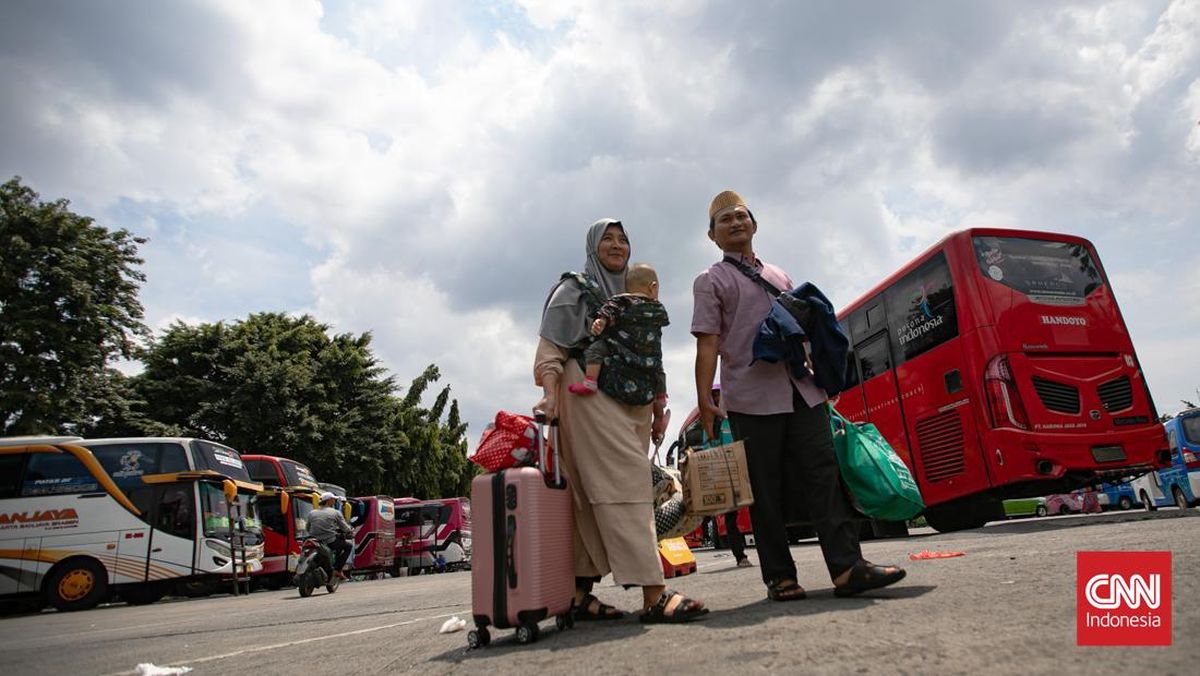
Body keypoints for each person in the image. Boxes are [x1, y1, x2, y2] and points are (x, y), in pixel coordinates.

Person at [691, 190, 906, 601]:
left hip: (803, 393)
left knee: (825, 478)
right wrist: (705, 399)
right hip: (750, 399)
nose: (735, 223)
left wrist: (823, 385)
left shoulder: (779, 274)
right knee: (766, 490)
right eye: (725, 220)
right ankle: (780, 577)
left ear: (754, 224)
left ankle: (847, 568)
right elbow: (707, 344)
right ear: (713, 236)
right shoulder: (710, 280)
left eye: (741, 216)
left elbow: (802, 334)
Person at [534, 218, 707, 624]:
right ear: (593, 247)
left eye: (623, 239)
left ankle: (578, 593)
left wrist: (658, 411)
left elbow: (652, 359)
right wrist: (548, 393)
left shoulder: (635, 297)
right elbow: (550, 349)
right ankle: (653, 593)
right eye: (607, 239)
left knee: (590, 500)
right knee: (628, 487)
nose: (616, 245)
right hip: (589, 400)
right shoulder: (573, 291)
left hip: (633, 407)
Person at [568, 263, 669, 408]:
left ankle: (590, 381)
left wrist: (600, 322)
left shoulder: (620, 301)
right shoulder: (658, 308)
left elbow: (607, 311)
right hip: (648, 354)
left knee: (595, 349)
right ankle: (661, 397)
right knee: (659, 367)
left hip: (621, 346)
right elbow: (664, 321)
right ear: (653, 287)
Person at [306, 492, 354, 580]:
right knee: (349, 545)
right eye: (333, 499)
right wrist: (350, 530)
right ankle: (338, 569)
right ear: (329, 501)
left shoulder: (312, 513)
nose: (335, 501)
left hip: (314, 540)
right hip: (329, 541)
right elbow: (345, 528)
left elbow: (307, 528)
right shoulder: (335, 512)